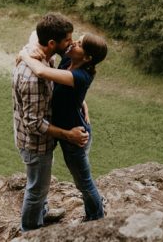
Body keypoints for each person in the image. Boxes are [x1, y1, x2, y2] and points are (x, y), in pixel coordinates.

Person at [12, 13, 89, 232]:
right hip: (35, 142)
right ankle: (30, 230)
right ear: (52, 43)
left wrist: (26, 50)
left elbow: (33, 34)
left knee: (41, 182)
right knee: (36, 188)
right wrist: (68, 134)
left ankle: (42, 211)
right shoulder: (33, 79)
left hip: (42, 141)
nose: (71, 44)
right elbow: (34, 124)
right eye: (67, 40)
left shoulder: (42, 49)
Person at [20, 32, 108, 222]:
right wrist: (81, 101)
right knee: (79, 180)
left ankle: (96, 219)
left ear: (87, 57)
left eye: (79, 43)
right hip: (68, 130)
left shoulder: (80, 75)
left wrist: (24, 55)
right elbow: (39, 34)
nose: (74, 43)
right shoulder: (70, 58)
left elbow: (42, 72)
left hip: (75, 137)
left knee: (83, 183)